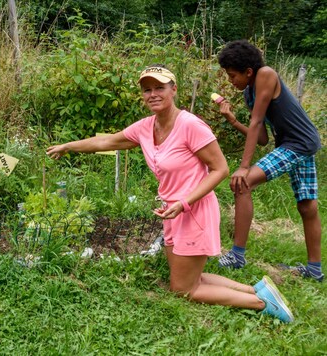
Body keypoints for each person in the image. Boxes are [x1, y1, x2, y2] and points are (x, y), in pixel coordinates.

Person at [47, 65, 294, 322]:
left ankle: (261, 303)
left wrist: (185, 202)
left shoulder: (190, 126)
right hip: (172, 212)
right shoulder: (145, 128)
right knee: (189, 278)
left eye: (159, 88)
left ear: (173, 90)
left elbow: (219, 170)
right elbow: (106, 141)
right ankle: (256, 290)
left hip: (194, 210)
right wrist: (68, 146)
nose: (153, 94)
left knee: (183, 289)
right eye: (147, 89)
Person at [215, 40, 323, 282]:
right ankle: (315, 271)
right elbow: (262, 137)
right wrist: (232, 120)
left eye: (233, 76)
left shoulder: (266, 74)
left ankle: (236, 256)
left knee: (242, 183)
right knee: (307, 206)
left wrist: (244, 167)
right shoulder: (249, 93)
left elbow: (256, 123)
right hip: (299, 144)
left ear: (248, 72)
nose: (231, 81)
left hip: (299, 143)